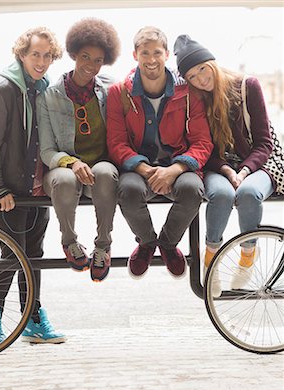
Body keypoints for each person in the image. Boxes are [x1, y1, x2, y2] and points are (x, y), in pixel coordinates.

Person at [0, 27, 66, 345]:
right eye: (34, 54)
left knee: (35, 255)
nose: (40, 61)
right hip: (7, 190)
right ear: (22, 54)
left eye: (46, 55)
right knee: (11, 256)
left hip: (37, 187)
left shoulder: (46, 89)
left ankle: (33, 317)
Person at [106, 26, 213, 279]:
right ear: (135, 55)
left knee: (192, 189)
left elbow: (202, 142)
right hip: (138, 167)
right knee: (128, 190)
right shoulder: (119, 93)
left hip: (178, 166)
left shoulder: (188, 92)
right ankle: (146, 244)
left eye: (157, 52)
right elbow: (116, 143)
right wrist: (146, 169)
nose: (151, 59)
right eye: (145, 52)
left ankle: (166, 244)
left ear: (166, 54)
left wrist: (175, 169)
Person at [174, 34, 274, 295]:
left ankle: (248, 255)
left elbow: (264, 143)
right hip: (217, 166)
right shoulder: (196, 99)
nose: (200, 79)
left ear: (212, 63)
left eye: (202, 70)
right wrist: (228, 170)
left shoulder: (247, 86)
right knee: (222, 194)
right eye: (192, 76)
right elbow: (203, 147)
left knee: (249, 193)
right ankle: (211, 259)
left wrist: (244, 170)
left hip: (259, 164)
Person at [37, 18, 120, 283]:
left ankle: (103, 246)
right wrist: (72, 163)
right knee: (64, 178)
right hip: (64, 168)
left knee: (107, 172)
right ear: (73, 54)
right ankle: (69, 242)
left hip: (99, 167)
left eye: (97, 60)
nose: (91, 65)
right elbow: (47, 151)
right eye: (85, 57)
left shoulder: (108, 89)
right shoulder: (49, 96)